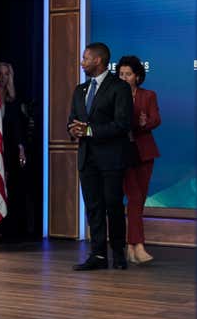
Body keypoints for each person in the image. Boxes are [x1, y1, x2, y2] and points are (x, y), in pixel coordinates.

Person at [68, 42, 133, 271]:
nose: (82, 62)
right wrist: (73, 130)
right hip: (87, 158)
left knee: (113, 205)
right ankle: (98, 255)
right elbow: (73, 121)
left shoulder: (119, 87)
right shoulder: (80, 90)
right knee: (93, 207)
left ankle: (118, 253)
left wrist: (89, 130)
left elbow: (123, 124)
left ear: (98, 60)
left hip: (112, 157)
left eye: (85, 58)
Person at [117, 55, 160, 264]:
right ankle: (138, 245)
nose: (124, 78)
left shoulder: (148, 95)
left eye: (128, 74)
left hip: (144, 151)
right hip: (123, 153)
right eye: (121, 74)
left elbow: (155, 119)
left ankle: (131, 247)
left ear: (138, 76)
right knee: (134, 198)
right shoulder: (114, 96)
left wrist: (144, 123)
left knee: (139, 200)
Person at [0, 62, 27, 240]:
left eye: (6, 74)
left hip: (8, 149)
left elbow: (18, 127)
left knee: (6, 185)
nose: (3, 77)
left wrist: (21, 149)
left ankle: (4, 224)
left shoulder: (13, 100)